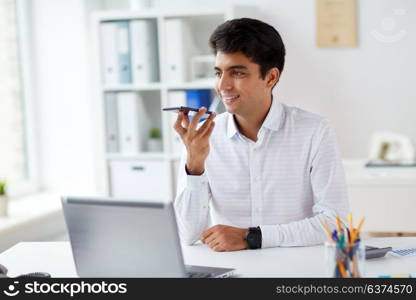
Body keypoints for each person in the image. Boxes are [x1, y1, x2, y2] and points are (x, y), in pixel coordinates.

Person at [173, 18, 349, 252]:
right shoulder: (204, 138)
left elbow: (336, 224)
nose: (223, 85)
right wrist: (194, 166)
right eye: (218, 73)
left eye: (237, 73)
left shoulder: (314, 131)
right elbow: (187, 234)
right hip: (232, 273)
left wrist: (252, 237)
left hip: (295, 273)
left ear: (270, 78)